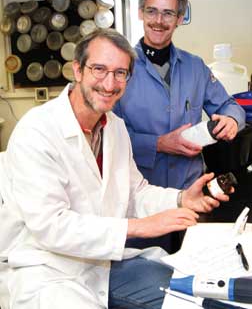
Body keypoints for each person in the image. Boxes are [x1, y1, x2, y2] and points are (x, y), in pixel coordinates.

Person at [0, 28, 230, 309]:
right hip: (48, 271)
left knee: (199, 298)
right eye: (99, 69)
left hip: (104, 266)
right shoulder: (37, 131)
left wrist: (181, 198)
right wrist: (139, 227)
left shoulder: (115, 127)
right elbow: (51, 226)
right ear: (78, 70)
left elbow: (134, 192)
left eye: (120, 73)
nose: (110, 83)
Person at [113, 0, 245, 252]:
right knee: (146, 278)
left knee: (192, 274)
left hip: (192, 195)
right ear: (140, 13)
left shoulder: (195, 66)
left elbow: (231, 106)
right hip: (141, 199)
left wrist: (231, 119)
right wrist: (158, 144)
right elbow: (105, 136)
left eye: (168, 13)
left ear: (180, 18)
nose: (158, 21)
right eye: (151, 11)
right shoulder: (120, 67)